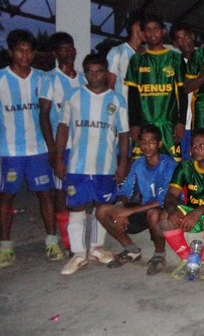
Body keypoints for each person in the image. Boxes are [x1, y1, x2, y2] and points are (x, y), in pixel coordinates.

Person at [54, 54, 129, 275]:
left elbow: (124, 134)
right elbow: (63, 128)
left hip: (105, 166)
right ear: (85, 72)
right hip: (77, 165)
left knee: (101, 207)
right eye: (89, 71)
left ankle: (97, 248)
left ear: (106, 72)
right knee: (76, 207)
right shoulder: (73, 96)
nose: (94, 75)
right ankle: (78, 254)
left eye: (98, 71)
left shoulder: (117, 100)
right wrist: (58, 159)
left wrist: (123, 162)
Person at [0, 29, 61, 268]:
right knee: (7, 197)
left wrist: (53, 148)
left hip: (39, 149)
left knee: (46, 194)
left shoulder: (43, 79)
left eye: (29, 51)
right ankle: (5, 247)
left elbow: (51, 116)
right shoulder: (1, 80)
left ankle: (52, 242)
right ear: (10, 52)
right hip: (9, 151)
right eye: (20, 51)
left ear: (34, 53)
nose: (24, 56)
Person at [96, 124, 177, 275]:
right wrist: (120, 207)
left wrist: (128, 211)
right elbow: (126, 190)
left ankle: (159, 254)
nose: (147, 146)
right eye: (143, 142)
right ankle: (131, 249)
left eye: (151, 142)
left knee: (153, 213)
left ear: (159, 144)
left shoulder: (168, 164)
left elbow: (163, 199)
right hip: (144, 207)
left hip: (166, 209)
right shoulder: (138, 164)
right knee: (102, 210)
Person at [158, 128, 204, 288]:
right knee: (164, 216)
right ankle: (186, 257)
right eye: (194, 146)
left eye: (202, 145)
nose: (196, 149)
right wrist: (172, 211)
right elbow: (171, 195)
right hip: (192, 215)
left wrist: (198, 212)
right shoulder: (185, 167)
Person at [38, 31, 85, 250]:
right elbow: (44, 116)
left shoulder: (84, 78)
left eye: (71, 48)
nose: (69, 52)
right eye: (63, 49)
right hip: (63, 147)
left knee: (81, 191)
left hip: (83, 146)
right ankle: (66, 239)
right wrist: (53, 149)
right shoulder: (49, 79)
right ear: (56, 54)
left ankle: (80, 235)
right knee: (61, 191)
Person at [125, 14, 187, 161]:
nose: (152, 33)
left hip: (169, 125)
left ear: (163, 31)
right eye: (148, 29)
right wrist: (133, 124)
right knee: (141, 165)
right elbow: (132, 95)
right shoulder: (137, 60)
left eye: (156, 29)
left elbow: (182, 92)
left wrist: (181, 122)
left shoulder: (175, 58)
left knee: (173, 166)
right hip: (144, 125)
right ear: (143, 33)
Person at [169, 22, 196, 161]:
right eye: (179, 39)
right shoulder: (173, 64)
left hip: (202, 124)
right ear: (175, 43)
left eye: (186, 36)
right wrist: (179, 121)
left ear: (192, 36)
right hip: (181, 126)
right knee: (179, 165)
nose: (184, 41)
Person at [107, 10, 145, 102]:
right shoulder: (117, 52)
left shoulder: (148, 55)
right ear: (135, 27)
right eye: (145, 27)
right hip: (123, 108)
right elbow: (110, 86)